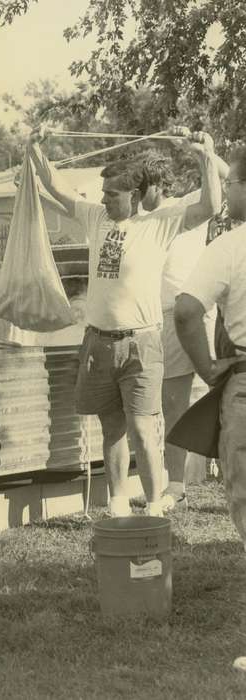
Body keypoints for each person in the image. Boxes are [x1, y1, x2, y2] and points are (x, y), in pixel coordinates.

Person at [28, 126, 222, 517]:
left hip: (142, 343)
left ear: (133, 196)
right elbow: (60, 190)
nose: (103, 200)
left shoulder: (160, 222)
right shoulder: (95, 217)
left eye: (111, 195)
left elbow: (211, 207)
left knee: (144, 429)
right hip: (98, 342)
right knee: (112, 428)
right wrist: (34, 150)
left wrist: (205, 155)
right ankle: (117, 503)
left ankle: (154, 505)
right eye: (103, 194)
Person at [139, 152, 228, 511]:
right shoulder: (138, 218)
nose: (135, 194)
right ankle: (175, 485)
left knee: (226, 393)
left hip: (199, 311)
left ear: (157, 185)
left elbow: (223, 182)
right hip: (162, 317)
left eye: (140, 187)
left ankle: (231, 472)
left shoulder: (188, 203)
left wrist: (203, 150)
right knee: (171, 404)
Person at [174, 145, 246, 543]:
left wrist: (205, 368)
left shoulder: (230, 247)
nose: (227, 193)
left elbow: (185, 312)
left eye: (230, 183)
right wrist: (210, 154)